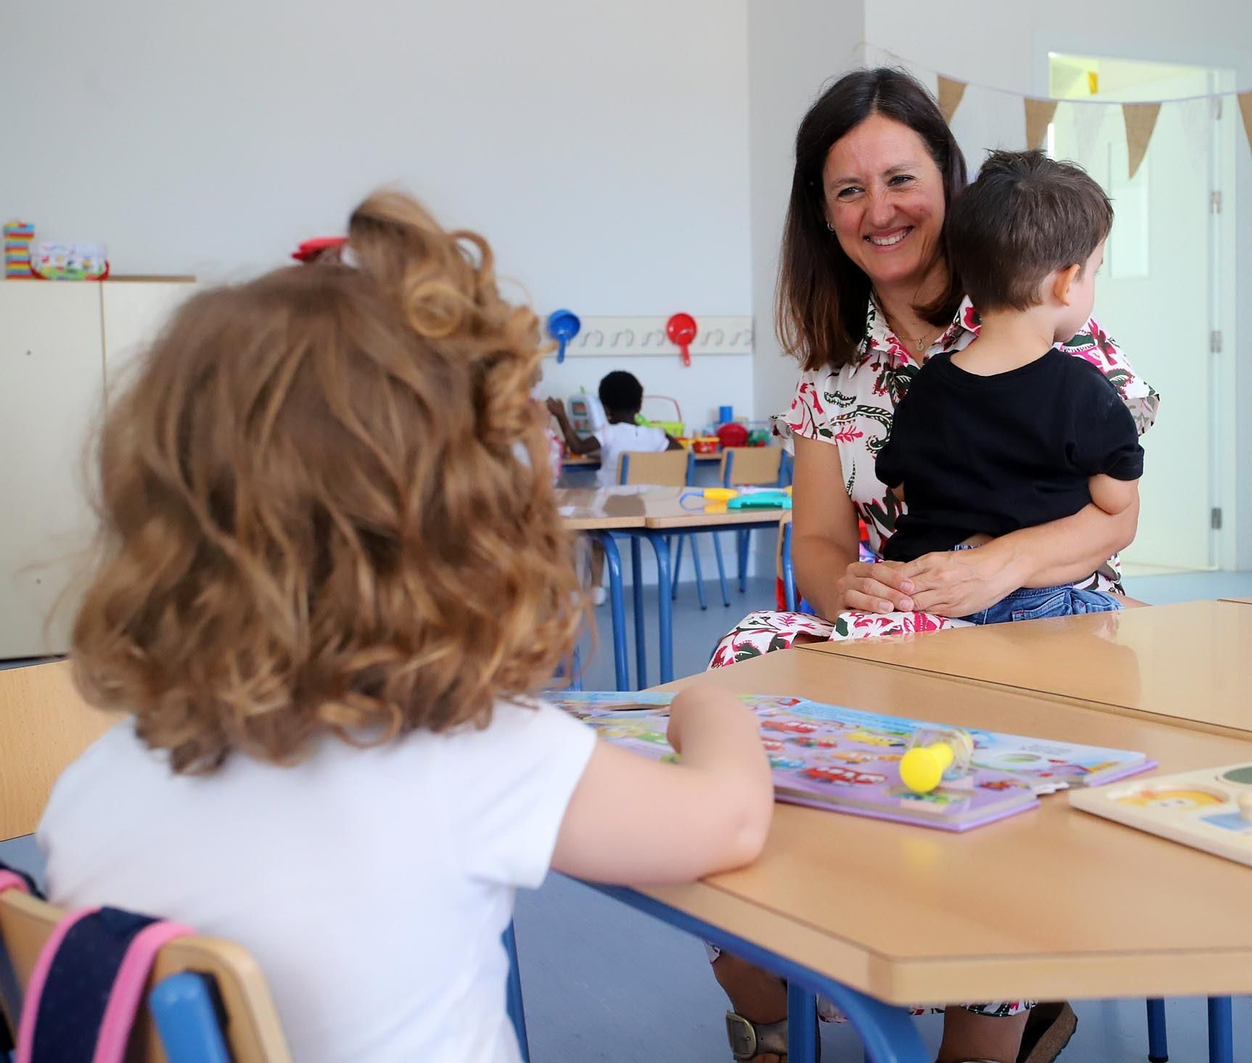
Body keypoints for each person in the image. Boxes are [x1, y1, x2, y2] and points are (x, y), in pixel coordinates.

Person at [39, 191, 773, 1063]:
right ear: (469, 525)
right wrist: (710, 704)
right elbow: (728, 822)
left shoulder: (89, 787)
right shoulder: (474, 755)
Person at [708, 68, 1160, 1063]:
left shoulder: (1040, 307)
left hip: (1047, 624)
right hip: (907, 626)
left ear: (948, 185)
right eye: (849, 191)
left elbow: (1111, 519)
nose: (881, 210)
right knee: (739, 663)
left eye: (901, 178)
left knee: (992, 721)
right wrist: (850, 585)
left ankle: (989, 1006)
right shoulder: (828, 372)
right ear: (822, 219)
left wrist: (1001, 565)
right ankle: (800, 954)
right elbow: (820, 546)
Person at [876, 150, 1142, 625]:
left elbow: (899, 484)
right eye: (1094, 271)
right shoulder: (1084, 389)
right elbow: (1117, 502)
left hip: (923, 597)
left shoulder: (927, 384)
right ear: (1066, 284)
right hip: (1032, 601)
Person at [546, 369, 681, 487]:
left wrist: (561, 415)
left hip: (610, 506)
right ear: (639, 407)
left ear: (605, 408)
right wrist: (662, 434)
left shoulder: (609, 433)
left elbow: (578, 447)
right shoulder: (656, 435)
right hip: (644, 505)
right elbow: (682, 453)